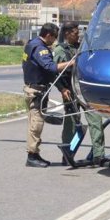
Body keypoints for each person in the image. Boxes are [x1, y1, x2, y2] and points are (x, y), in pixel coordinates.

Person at [53, 21, 106, 166]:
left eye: (79, 33)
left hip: (85, 91)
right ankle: (68, 153)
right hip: (70, 92)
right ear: (67, 34)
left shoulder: (82, 49)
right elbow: (53, 73)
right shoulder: (60, 51)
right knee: (72, 125)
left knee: (95, 121)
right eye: (76, 33)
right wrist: (62, 89)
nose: (78, 36)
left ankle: (98, 154)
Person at [22, 23, 74, 168]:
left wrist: (62, 88)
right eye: (55, 37)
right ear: (48, 35)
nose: (55, 40)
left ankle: (35, 153)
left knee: (36, 123)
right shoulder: (40, 48)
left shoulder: (32, 44)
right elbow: (50, 67)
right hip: (36, 91)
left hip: (36, 90)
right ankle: (31, 156)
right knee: (36, 124)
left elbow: (47, 73)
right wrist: (71, 63)